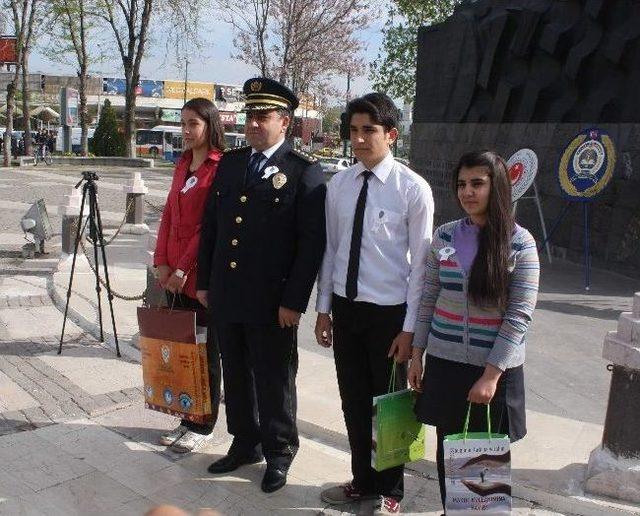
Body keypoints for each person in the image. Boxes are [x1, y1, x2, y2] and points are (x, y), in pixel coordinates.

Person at [197, 77, 326, 493]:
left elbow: (310, 247)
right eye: (250, 115)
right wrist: (204, 282)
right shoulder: (233, 164)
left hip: (273, 303)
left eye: (262, 116)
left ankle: (279, 451)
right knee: (235, 374)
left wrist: (294, 302)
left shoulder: (304, 173)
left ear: (284, 121)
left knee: (273, 379)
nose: (253, 123)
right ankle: (245, 442)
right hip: (228, 293)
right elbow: (213, 228)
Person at [314, 93, 434, 515]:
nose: (360, 139)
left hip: (390, 317)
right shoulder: (340, 185)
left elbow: (420, 267)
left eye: (369, 130)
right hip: (347, 310)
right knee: (353, 400)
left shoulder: (412, 190)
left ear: (392, 135)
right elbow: (331, 249)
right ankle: (361, 479)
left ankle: (391, 490)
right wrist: (323, 309)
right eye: (353, 131)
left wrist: (410, 330)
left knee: (389, 405)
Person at [408, 150, 540, 512]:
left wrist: (491, 374)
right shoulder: (445, 235)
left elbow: (519, 316)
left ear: (497, 187)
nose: (468, 192)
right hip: (446, 365)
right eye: (462, 184)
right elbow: (428, 298)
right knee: (449, 450)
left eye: (477, 183)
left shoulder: (520, 243)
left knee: (482, 462)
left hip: (492, 373)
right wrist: (417, 354)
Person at [153, 97, 225, 453]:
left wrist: (183, 267)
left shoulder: (219, 167)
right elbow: (169, 214)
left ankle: (204, 424)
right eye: (183, 123)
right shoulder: (182, 164)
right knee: (181, 350)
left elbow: (207, 228)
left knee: (204, 353)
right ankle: (186, 416)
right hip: (173, 274)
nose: (186, 131)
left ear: (210, 126)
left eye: (193, 124)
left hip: (199, 278)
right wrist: (162, 261)